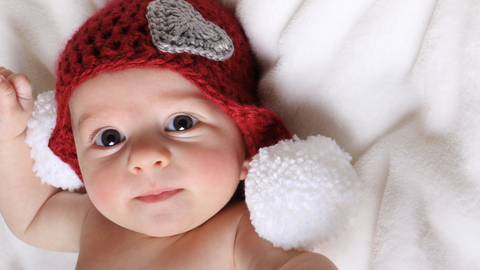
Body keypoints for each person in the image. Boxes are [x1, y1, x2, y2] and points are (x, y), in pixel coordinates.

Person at [0, 0, 338, 268]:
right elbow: (32, 215)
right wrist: (9, 133)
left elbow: (286, 264)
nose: (145, 156)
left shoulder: (240, 234)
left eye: (181, 123)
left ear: (248, 145)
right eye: (109, 138)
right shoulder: (96, 223)